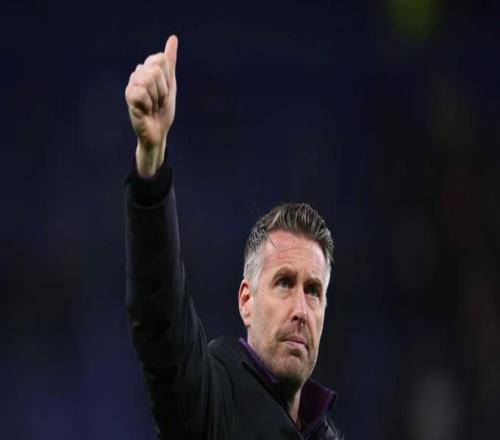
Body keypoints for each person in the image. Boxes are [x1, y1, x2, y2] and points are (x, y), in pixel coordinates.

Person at [124, 35, 343, 439]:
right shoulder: (210, 399)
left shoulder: (325, 433)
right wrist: (150, 171)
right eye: (284, 283)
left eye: (313, 291)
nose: (300, 309)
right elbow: (160, 318)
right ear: (246, 300)